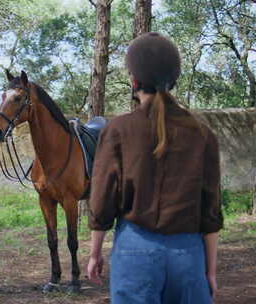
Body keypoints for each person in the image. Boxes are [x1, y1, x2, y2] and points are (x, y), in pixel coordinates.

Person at [86, 32, 223, 304]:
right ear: (173, 79)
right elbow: (210, 211)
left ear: (134, 80)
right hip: (188, 256)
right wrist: (210, 271)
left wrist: (94, 253)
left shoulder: (117, 130)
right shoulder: (202, 134)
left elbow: (102, 201)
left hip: (135, 252)